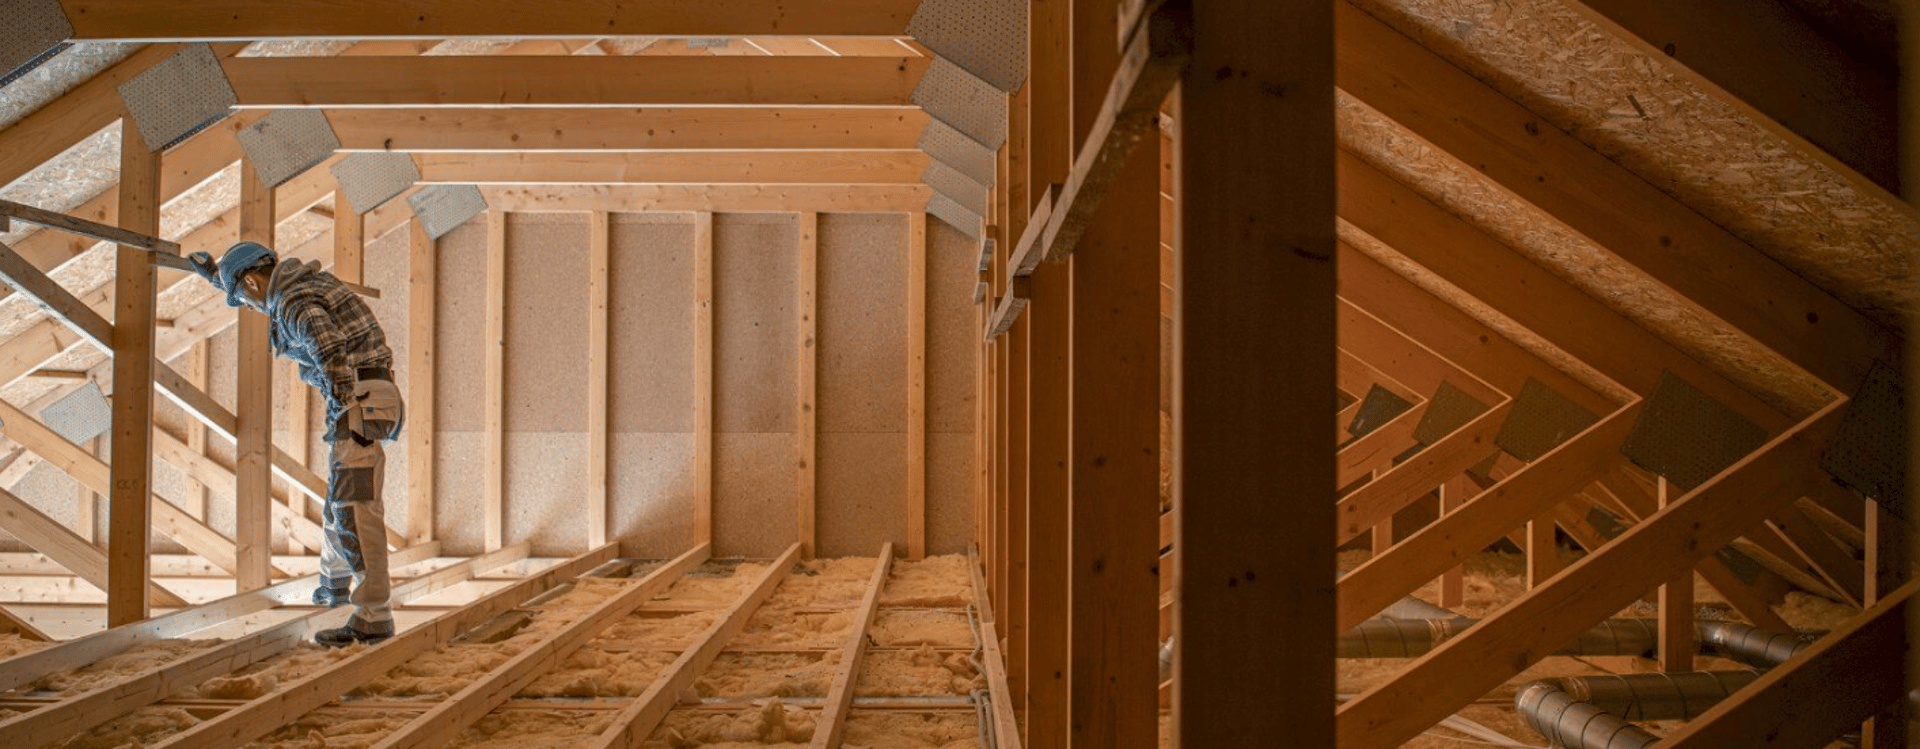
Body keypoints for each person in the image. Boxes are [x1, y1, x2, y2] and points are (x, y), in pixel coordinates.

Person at [189, 241, 403, 647]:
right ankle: (334, 587)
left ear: (252, 282)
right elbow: (268, 300)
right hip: (368, 398)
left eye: (244, 298)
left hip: (359, 404)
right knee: (338, 505)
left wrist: (342, 403)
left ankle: (374, 616)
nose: (249, 307)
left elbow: (328, 348)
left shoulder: (294, 300)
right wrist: (217, 277)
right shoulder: (297, 286)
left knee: (355, 509)